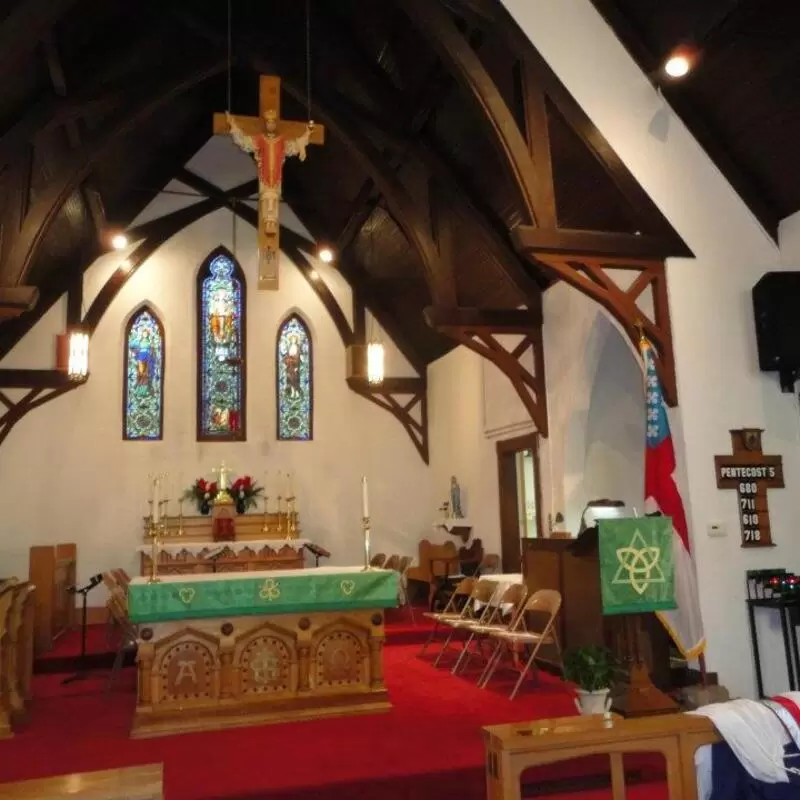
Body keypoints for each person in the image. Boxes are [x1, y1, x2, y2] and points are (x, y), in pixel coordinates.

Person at [226, 109, 312, 235]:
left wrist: (306, 135)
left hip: (276, 177)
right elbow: (245, 142)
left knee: (274, 199)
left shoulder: (281, 140)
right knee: (267, 199)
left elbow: (293, 146)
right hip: (265, 177)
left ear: (275, 124)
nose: (270, 125)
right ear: (266, 124)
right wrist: (233, 126)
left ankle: (272, 222)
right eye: (268, 123)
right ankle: (268, 222)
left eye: (273, 123)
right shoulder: (260, 139)